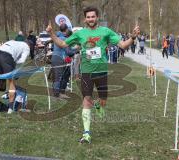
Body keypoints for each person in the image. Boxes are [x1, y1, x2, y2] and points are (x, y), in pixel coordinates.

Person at [46, 6, 140, 144]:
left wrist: (133, 37)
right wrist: (51, 33)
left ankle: (98, 104)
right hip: (86, 72)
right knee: (86, 99)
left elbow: (123, 45)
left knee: (103, 101)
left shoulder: (106, 31)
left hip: (101, 71)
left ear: (97, 18)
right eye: (88, 17)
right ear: (85, 19)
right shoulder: (80, 34)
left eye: (93, 17)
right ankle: (86, 134)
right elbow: (62, 44)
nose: (90, 19)